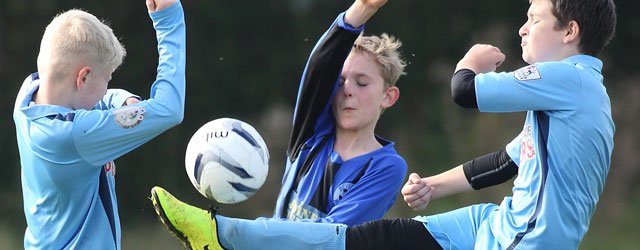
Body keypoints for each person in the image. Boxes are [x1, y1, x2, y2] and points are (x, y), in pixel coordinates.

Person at [151, 0, 617, 249]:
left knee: (353, 242)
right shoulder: (572, 99)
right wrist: (434, 186)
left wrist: (472, 61)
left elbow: (464, 90)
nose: (522, 28)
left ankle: (220, 233)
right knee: (375, 239)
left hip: (524, 242)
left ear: (569, 31)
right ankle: (219, 234)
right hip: (494, 223)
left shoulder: (568, 80)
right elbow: (504, 163)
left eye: (533, 17)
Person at [13, 0, 186, 249]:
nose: (107, 88)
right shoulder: (75, 135)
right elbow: (169, 109)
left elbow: (92, 99)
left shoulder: (29, 96)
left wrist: (123, 99)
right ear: (83, 77)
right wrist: (169, 21)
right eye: (107, 79)